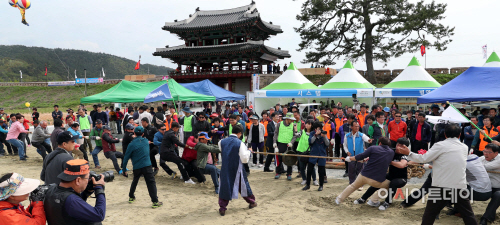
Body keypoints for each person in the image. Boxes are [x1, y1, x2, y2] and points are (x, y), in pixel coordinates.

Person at [396, 123, 477, 224]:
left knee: (430, 214)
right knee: (468, 214)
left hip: (440, 186)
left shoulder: (440, 145)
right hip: (459, 185)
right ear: (460, 135)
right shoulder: (464, 147)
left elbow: (424, 158)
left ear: (445, 134)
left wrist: (409, 153)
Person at [44, 159, 107, 224]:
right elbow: (99, 215)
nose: (88, 181)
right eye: (87, 178)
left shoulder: (51, 190)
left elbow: (69, 209)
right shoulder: (71, 200)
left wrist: (86, 193)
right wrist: (99, 188)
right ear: (78, 180)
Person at [354, 138, 409, 211]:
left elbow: (401, 165)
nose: (398, 147)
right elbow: (378, 155)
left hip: (401, 178)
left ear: (406, 147)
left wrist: (389, 161)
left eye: (402, 146)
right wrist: (367, 158)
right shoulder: (391, 151)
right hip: (391, 175)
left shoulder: (405, 155)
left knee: (393, 183)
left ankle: (387, 202)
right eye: (398, 144)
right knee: (377, 180)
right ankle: (363, 198)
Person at [336, 137, 394, 204]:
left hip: (363, 175)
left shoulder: (373, 148)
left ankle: (339, 199)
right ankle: (373, 201)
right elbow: (381, 157)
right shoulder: (391, 152)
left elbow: (361, 156)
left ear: (380, 143)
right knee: (390, 185)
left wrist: (350, 158)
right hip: (376, 180)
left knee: (353, 186)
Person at [218, 125, 256, 216]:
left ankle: (222, 207)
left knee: (225, 186)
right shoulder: (240, 143)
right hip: (236, 167)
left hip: (225, 167)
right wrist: (249, 152)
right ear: (239, 133)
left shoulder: (221, 141)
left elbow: (221, 150)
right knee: (243, 185)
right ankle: (251, 202)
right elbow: (244, 159)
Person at [122, 127, 163, 208]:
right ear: (143, 134)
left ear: (134, 133)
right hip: (147, 165)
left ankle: (131, 196)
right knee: (151, 183)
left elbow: (126, 157)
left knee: (135, 180)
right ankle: (155, 201)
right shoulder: (145, 141)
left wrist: (124, 169)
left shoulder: (131, 144)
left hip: (137, 166)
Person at [302, 121, 329, 191]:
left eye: (320, 128)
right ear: (315, 128)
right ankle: (308, 185)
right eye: (318, 128)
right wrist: (315, 135)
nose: (319, 130)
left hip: (322, 154)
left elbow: (327, 144)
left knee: (321, 171)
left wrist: (325, 137)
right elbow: (310, 141)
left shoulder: (323, 133)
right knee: (309, 169)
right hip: (313, 153)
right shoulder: (312, 133)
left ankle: (321, 185)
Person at [273, 112, 297, 180]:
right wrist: (274, 143)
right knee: (279, 159)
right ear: (287, 119)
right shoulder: (279, 124)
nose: (292, 120)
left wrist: (291, 142)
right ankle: (278, 172)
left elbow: (295, 135)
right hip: (280, 144)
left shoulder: (293, 125)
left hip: (289, 145)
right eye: (291, 119)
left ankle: (289, 174)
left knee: (290, 160)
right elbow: (275, 133)